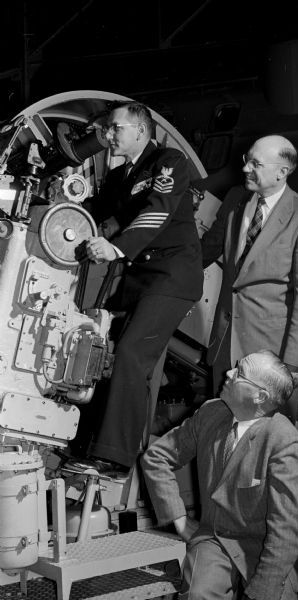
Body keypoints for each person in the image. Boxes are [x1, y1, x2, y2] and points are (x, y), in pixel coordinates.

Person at [69, 101, 203, 473]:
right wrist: (63, 196)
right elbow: (98, 210)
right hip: (140, 280)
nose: (108, 136)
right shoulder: (122, 175)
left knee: (129, 354)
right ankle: (83, 444)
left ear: (141, 131)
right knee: (96, 349)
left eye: (116, 129)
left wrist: (115, 247)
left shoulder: (169, 162)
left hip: (171, 277)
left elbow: (158, 209)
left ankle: (114, 457)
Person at [142, 350, 298, 600]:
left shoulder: (282, 439)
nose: (228, 373)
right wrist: (178, 518)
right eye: (236, 367)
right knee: (197, 594)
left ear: (260, 396)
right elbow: (157, 457)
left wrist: (262, 592)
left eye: (239, 373)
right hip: (213, 539)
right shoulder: (212, 412)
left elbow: (286, 529)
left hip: (266, 549)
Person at [200, 135, 298, 415]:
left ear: (282, 172)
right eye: (246, 160)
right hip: (224, 346)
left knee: (264, 443)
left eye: (255, 163)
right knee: (219, 434)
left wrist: (292, 365)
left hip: (271, 359)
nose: (246, 168)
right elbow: (206, 250)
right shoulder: (236, 198)